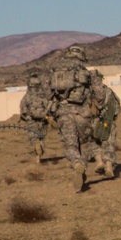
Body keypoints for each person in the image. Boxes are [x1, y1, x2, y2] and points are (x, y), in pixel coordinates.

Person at [49, 45, 97, 191]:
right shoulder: (83, 70)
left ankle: (77, 164)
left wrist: (50, 113)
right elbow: (97, 92)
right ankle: (83, 169)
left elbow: (48, 93)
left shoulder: (55, 69)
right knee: (85, 143)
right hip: (83, 112)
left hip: (63, 111)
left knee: (70, 144)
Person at [89, 69, 120, 179]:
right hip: (108, 121)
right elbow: (116, 108)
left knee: (93, 142)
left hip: (93, 122)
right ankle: (109, 167)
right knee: (109, 144)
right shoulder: (109, 91)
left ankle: (99, 161)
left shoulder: (88, 92)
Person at [19, 70, 52, 163]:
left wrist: (26, 117)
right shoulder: (43, 96)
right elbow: (48, 106)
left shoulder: (27, 96)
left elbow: (23, 107)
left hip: (31, 119)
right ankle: (40, 152)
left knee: (33, 136)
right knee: (42, 136)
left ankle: (37, 157)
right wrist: (47, 116)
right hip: (43, 118)